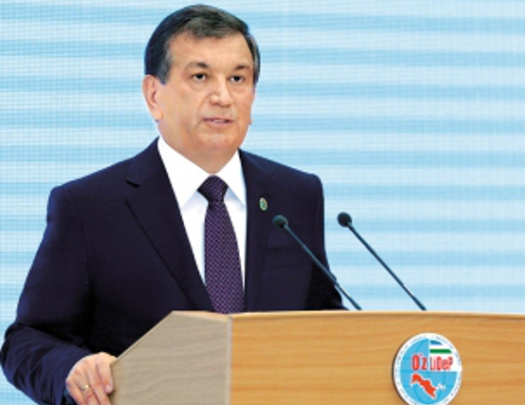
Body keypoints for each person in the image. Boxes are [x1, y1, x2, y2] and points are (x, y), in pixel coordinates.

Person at [1, 4, 344, 405]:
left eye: (238, 78)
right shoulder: (90, 207)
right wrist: (72, 369)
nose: (223, 97)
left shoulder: (296, 195)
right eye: (200, 77)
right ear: (153, 95)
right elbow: (28, 340)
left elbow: (326, 327)